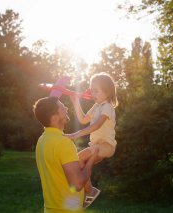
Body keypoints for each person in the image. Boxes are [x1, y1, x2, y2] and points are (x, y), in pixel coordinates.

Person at [33, 96, 98, 213]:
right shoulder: (63, 142)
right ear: (54, 118)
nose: (67, 108)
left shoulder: (41, 140)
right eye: (62, 108)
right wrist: (91, 160)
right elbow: (77, 184)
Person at [65, 72, 118, 207]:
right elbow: (83, 119)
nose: (92, 94)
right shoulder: (96, 106)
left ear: (107, 92)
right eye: (91, 90)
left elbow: (97, 125)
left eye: (96, 91)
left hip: (106, 146)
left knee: (80, 157)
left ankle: (89, 190)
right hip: (96, 145)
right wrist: (76, 102)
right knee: (77, 162)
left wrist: (75, 135)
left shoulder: (107, 107)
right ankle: (89, 190)